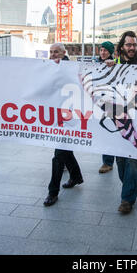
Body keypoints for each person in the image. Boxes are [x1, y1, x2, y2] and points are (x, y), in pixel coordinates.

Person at [105, 31, 137, 214]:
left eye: (134, 45)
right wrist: (106, 68)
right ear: (122, 46)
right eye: (129, 45)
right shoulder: (114, 64)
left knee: (133, 161)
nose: (132, 48)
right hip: (117, 121)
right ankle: (128, 187)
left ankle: (127, 199)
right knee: (121, 161)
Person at [43, 43, 84, 206]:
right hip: (56, 118)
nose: (53, 55)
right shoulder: (49, 68)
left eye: (56, 52)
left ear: (64, 53)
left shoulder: (71, 69)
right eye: (51, 52)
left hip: (69, 118)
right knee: (65, 150)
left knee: (58, 155)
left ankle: (53, 192)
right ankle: (76, 176)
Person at [96, 41, 116, 174]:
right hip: (97, 102)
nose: (103, 53)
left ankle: (108, 162)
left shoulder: (115, 65)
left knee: (108, 132)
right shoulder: (95, 64)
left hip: (111, 102)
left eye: (105, 51)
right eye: (101, 50)